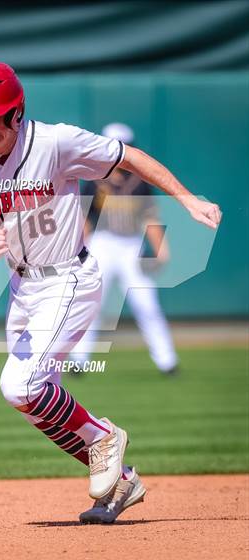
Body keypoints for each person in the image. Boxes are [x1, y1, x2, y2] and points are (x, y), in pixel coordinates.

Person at [0, 61, 221, 524]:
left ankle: (106, 439)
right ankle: (121, 482)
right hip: (22, 287)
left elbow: (129, 158)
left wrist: (187, 198)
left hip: (70, 278)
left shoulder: (55, 142)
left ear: (17, 113)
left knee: (18, 384)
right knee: (30, 399)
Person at [71, 122, 179, 375]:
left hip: (131, 245)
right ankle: (79, 359)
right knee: (90, 302)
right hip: (102, 244)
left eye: (123, 146)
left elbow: (150, 218)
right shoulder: (95, 179)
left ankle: (167, 361)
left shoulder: (140, 181)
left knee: (146, 304)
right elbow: (85, 219)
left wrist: (161, 248)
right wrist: (76, 248)